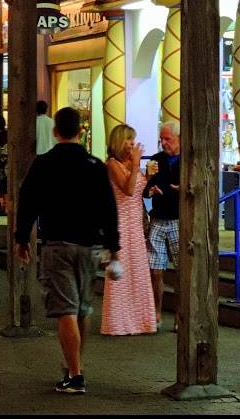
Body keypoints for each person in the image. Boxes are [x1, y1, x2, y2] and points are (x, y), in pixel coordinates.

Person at [15, 107, 119, 395]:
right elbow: (108, 208)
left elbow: (28, 202)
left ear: (55, 131)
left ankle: (75, 376)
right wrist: (114, 246)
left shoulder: (44, 164)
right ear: (80, 130)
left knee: (66, 310)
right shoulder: (95, 165)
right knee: (82, 309)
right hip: (90, 245)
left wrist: (22, 238)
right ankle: (75, 365)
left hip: (58, 243)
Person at [100, 124, 158, 336]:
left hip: (135, 224)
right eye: (129, 141)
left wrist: (149, 180)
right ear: (119, 142)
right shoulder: (113, 164)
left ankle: (140, 320)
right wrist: (136, 166)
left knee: (138, 271)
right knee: (122, 273)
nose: (133, 145)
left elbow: (138, 191)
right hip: (121, 224)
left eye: (134, 142)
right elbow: (128, 189)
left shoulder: (129, 164)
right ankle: (118, 322)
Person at [143, 121, 182, 331]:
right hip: (158, 217)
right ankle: (156, 312)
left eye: (168, 139)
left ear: (179, 138)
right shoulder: (156, 160)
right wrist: (150, 187)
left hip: (178, 219)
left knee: (181, 270)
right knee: (155, 269)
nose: (164, 143)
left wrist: (182, 188)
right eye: (162, 139)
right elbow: (144, 188)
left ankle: (179, 314)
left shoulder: (188, 159)